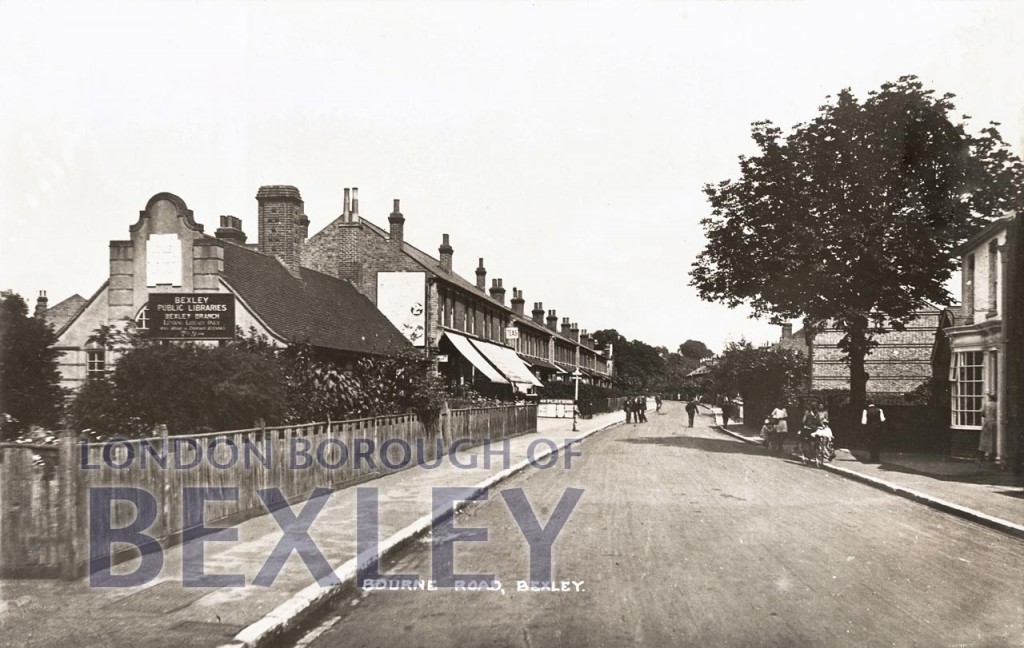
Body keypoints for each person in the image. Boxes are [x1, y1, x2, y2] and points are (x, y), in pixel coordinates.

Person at [978, 393, 997, 461]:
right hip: (995, 423)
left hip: (987, 423)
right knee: (994, 440)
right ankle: (992, 456)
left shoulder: (986, 404)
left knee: (984, 440)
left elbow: (982, 414)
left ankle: (981, 457)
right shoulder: (997, 405)